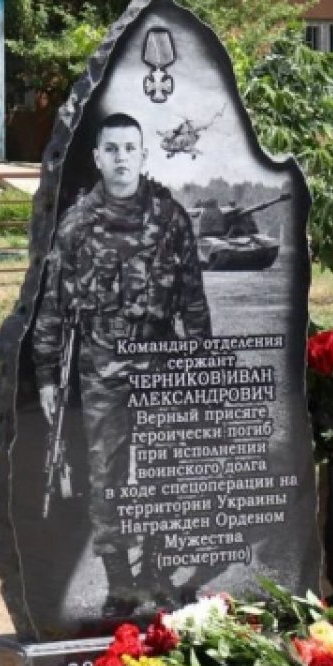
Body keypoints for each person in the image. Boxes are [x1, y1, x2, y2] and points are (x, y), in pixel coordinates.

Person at [32, 112, 212, 618]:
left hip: (162, 366)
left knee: (161, 475)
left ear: (143, 154)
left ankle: (156, 569)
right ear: (97, 158)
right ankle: (121, 583)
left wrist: (200, 369)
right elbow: (52, 308)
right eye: (111, 150)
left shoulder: (170, 219)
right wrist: (47, 376)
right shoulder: (76, 225)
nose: (121, 159)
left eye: (129, 149)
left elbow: (194, 303)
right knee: (107, 476)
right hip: (102, 369)